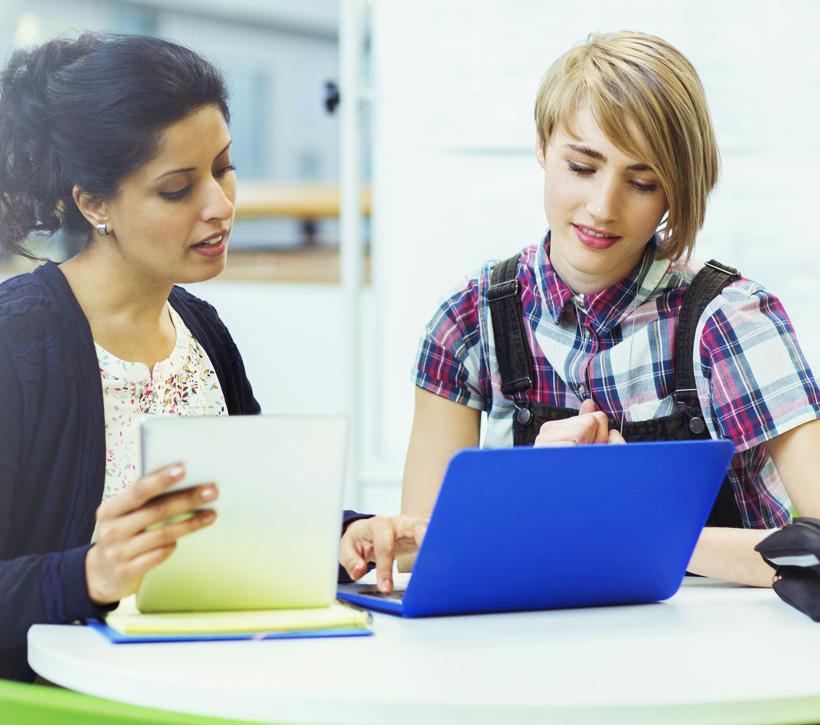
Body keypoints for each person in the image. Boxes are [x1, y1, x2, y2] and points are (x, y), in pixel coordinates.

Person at [339, 31, 820, 594]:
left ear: (674, 193)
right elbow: (427, 554)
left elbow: (812, 550)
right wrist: (387, 536)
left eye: (642, 183)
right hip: (546, 646)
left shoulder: (729, 321)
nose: (602, 207)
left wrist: (628, 520)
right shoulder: (467, 323)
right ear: (543, 145)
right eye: (582, 167)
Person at [0, 33, 368, 682]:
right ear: (93, 203)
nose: (221, 206)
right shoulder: (18, 342)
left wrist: (340, 540)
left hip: (210, 681)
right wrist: (89, 573)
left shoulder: (202, 329)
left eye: (224, 167)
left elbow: (254, 521)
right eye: (177, 188)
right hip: (63, 700)